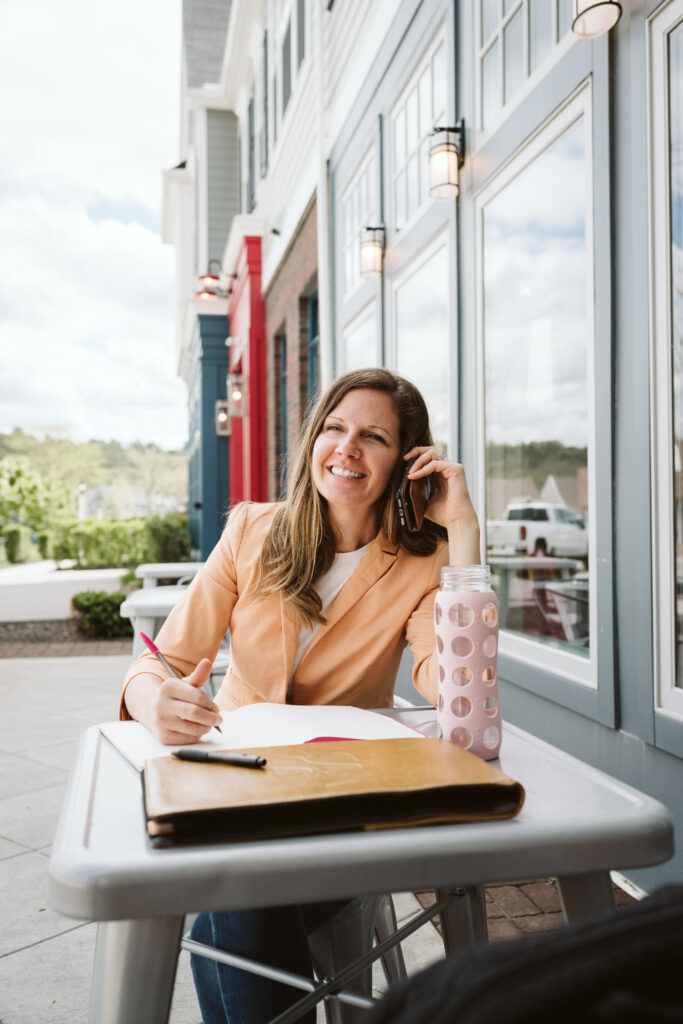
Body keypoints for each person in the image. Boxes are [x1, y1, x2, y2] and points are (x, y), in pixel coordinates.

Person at [120, 367, 481, 1024]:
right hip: (235, 784)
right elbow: (158, 662)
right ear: (314, 438)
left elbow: (463, 698)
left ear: (405, 460)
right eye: (334, 428)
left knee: (231, 910)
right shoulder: (253, 531)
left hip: (341, 800)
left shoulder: (426, 561)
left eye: (372, 436)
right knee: (233, 907)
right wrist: (157, 703)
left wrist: (463, 534)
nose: (345, 449)